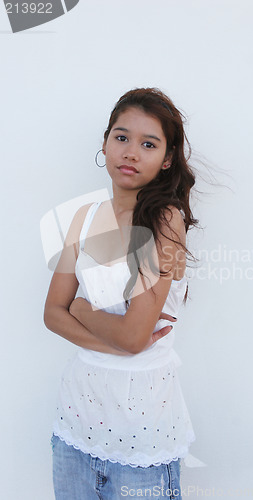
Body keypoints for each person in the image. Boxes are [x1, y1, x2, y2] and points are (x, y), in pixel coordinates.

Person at [44, 87, 200, 499]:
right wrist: (118, 341)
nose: (131, 152)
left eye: (148, 144)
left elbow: (131, 335)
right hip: (76, 423)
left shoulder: (166, 221)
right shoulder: (84, 217)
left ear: (167, 159)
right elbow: (52, 314)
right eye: (122, 137)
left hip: (141, 430)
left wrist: (82, 309)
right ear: (105, 143)